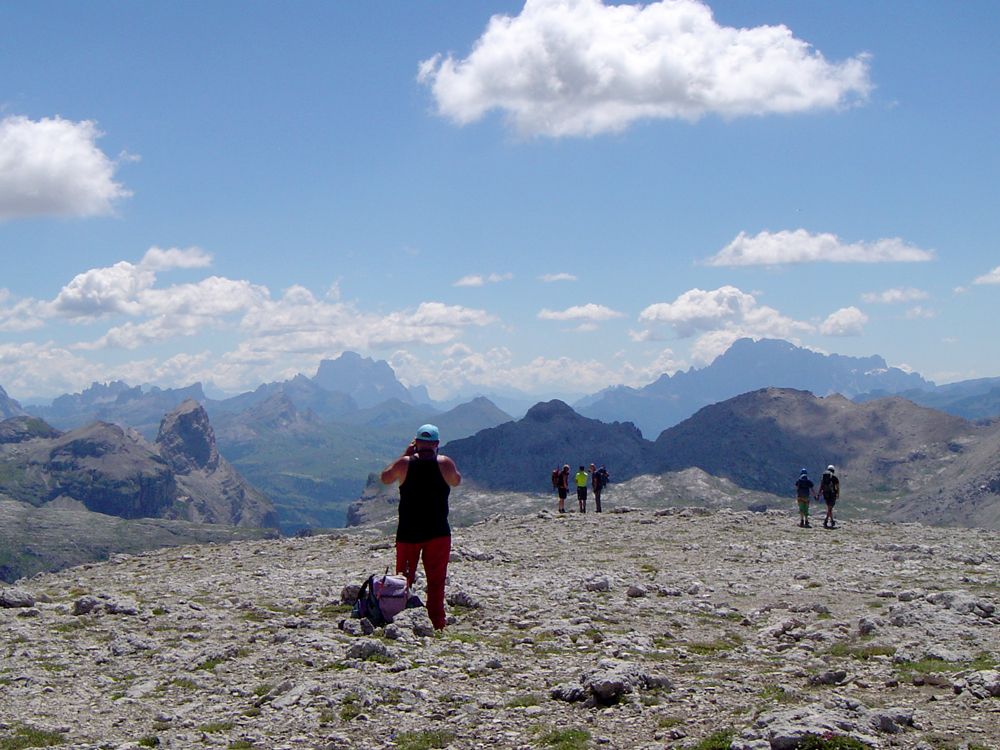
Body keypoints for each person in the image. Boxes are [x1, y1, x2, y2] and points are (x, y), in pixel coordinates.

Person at [380, 424, 461, 630]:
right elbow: (456, 481)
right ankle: (437, 623)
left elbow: (385, 477)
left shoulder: (404, 464)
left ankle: (400, 619)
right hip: (438, 532)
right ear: (436, 444)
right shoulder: (444, 463)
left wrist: (405, 454)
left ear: (416, 443)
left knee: (403, 580)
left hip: (408, 532)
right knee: (436, 581)